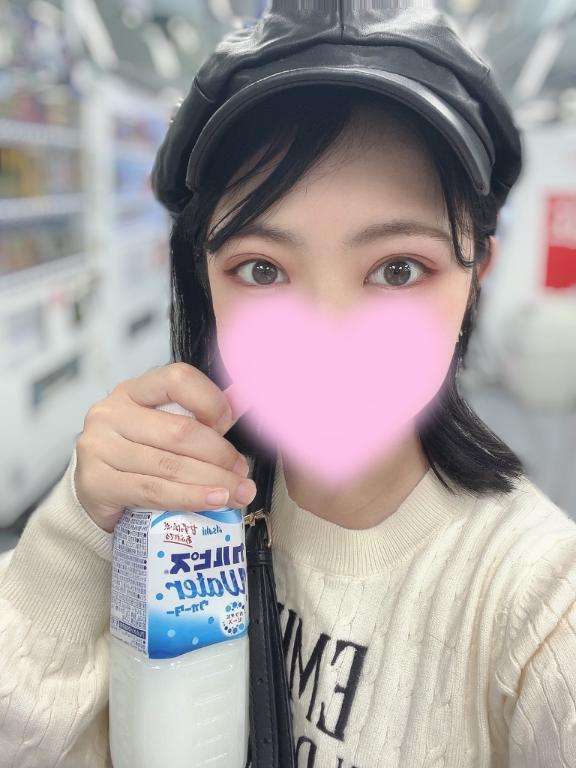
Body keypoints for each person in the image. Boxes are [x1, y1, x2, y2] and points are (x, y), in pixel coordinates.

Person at [2, 5, 576, 768]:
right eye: (263, 270)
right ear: (205, 285)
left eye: (397, 269)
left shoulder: (539, 602)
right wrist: (78, 532)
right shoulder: (163, 522)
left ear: (476, 278)